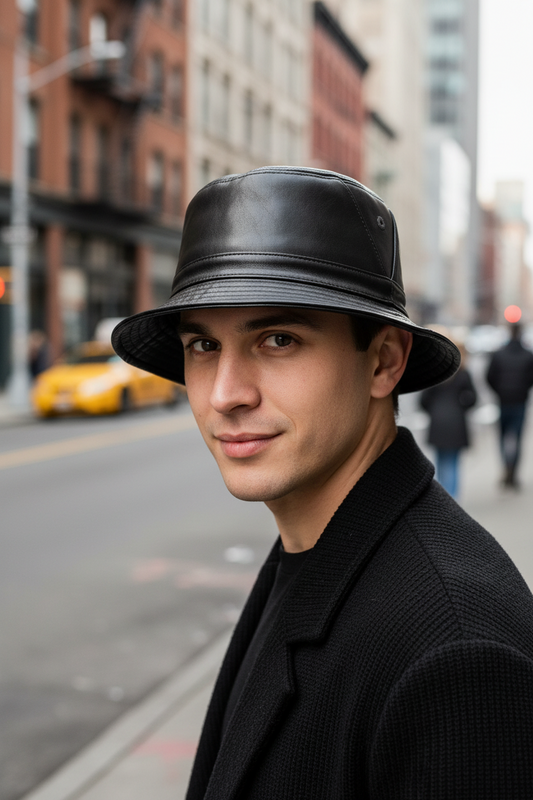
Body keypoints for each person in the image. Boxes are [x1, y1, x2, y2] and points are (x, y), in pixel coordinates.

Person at [113, 167, 533, 798]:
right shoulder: (315, 548)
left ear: (384, 362)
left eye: (278, 339)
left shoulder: (457, 655)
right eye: (203, 345)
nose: (225, 395)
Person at [420, 339, 477, 499]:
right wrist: (461, 405)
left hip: (438, 422)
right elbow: (473, 398)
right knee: (453, 462)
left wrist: (434, 411)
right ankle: (452, 498)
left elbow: (424, 400)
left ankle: (442, 497)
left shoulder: (434, 373)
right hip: (457, 422)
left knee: (440, 461)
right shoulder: (464, 374)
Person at [487, 322, 533, 488]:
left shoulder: (499, 354)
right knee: (518, 438)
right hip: (519, 402)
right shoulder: (528, 355)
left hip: (504, 401)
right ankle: (513, 471)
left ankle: (506, 467)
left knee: (502, 437)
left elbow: (489, 377)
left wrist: (499, 391)